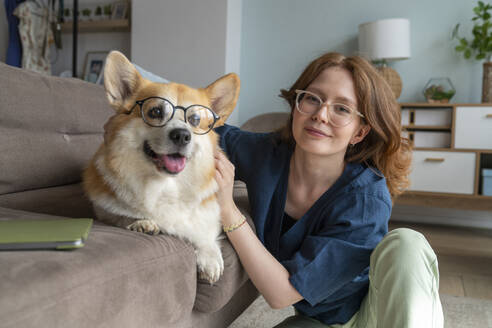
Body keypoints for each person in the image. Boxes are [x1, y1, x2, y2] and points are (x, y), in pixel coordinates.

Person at [214, 52, 444, 328]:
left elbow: (281, 294)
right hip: (320, 322)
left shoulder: (367, 199)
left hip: (379, 316)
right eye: (312, 98)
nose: (321, 115)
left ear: (359, 133)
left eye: (342, 109)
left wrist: (227, 211)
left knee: (407, 243)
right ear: (296, 104)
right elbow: (201, 129)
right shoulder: (267, 153)